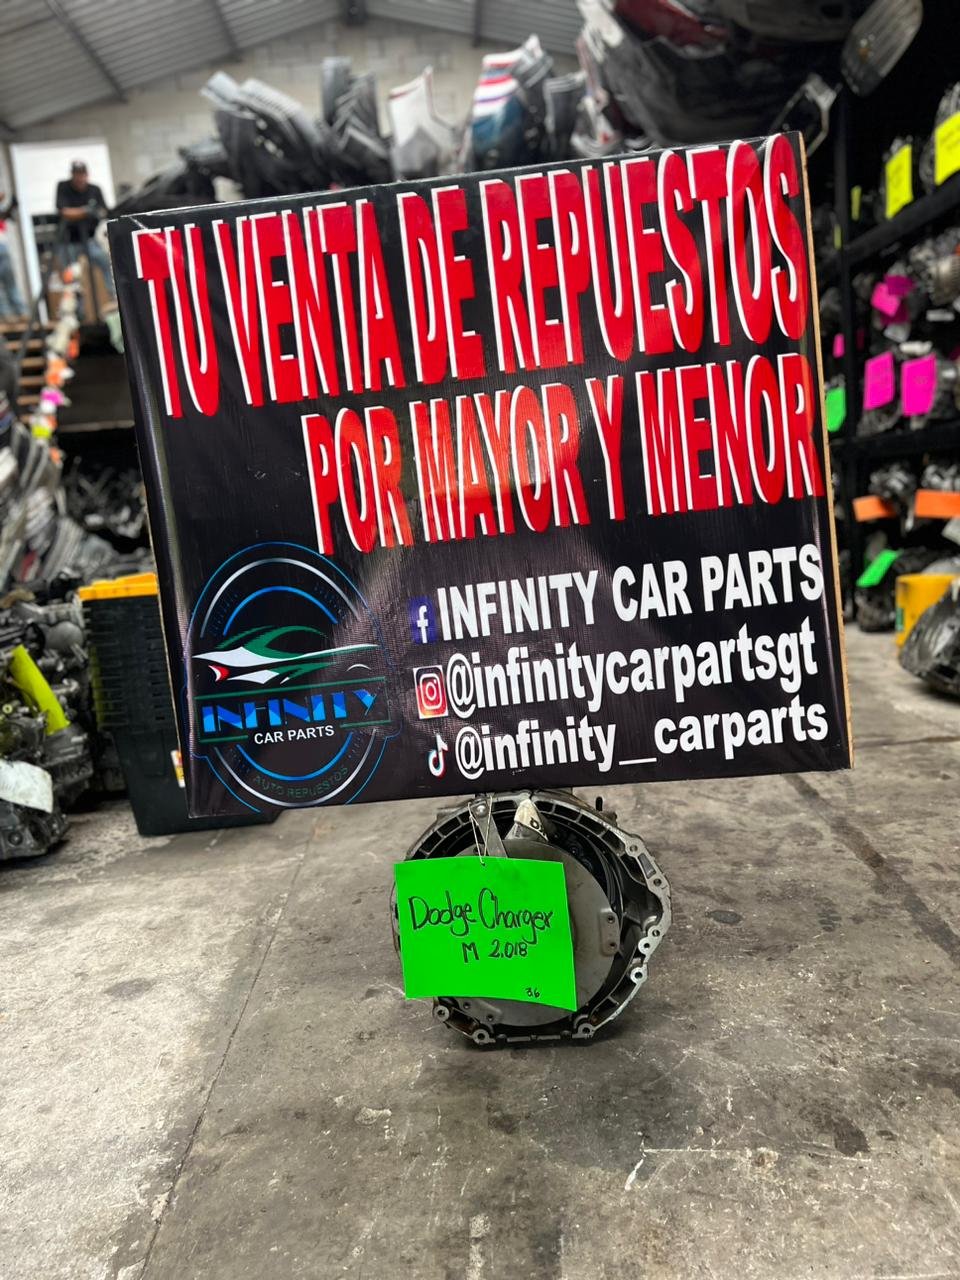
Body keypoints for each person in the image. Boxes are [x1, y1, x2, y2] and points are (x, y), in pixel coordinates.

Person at [55, 160, 116, 315]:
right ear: (72, 175)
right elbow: (64, 212)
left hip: (90, 239)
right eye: (77, 174)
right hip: (69, 241)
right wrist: (86, 211)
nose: (79, 178)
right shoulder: (64, 187)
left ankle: (115, 298)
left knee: (106, 263)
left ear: (86, 175)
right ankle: (74, 312)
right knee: (70, 276)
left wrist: (91, 212)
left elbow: (103, 212)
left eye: (82, 174)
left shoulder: (94, 189)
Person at [0, 192, 26, 320]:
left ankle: (20, 311)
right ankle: (7, 313)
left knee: (9, 280)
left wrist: (12, 207)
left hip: (2, 245)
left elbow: (7, 216)